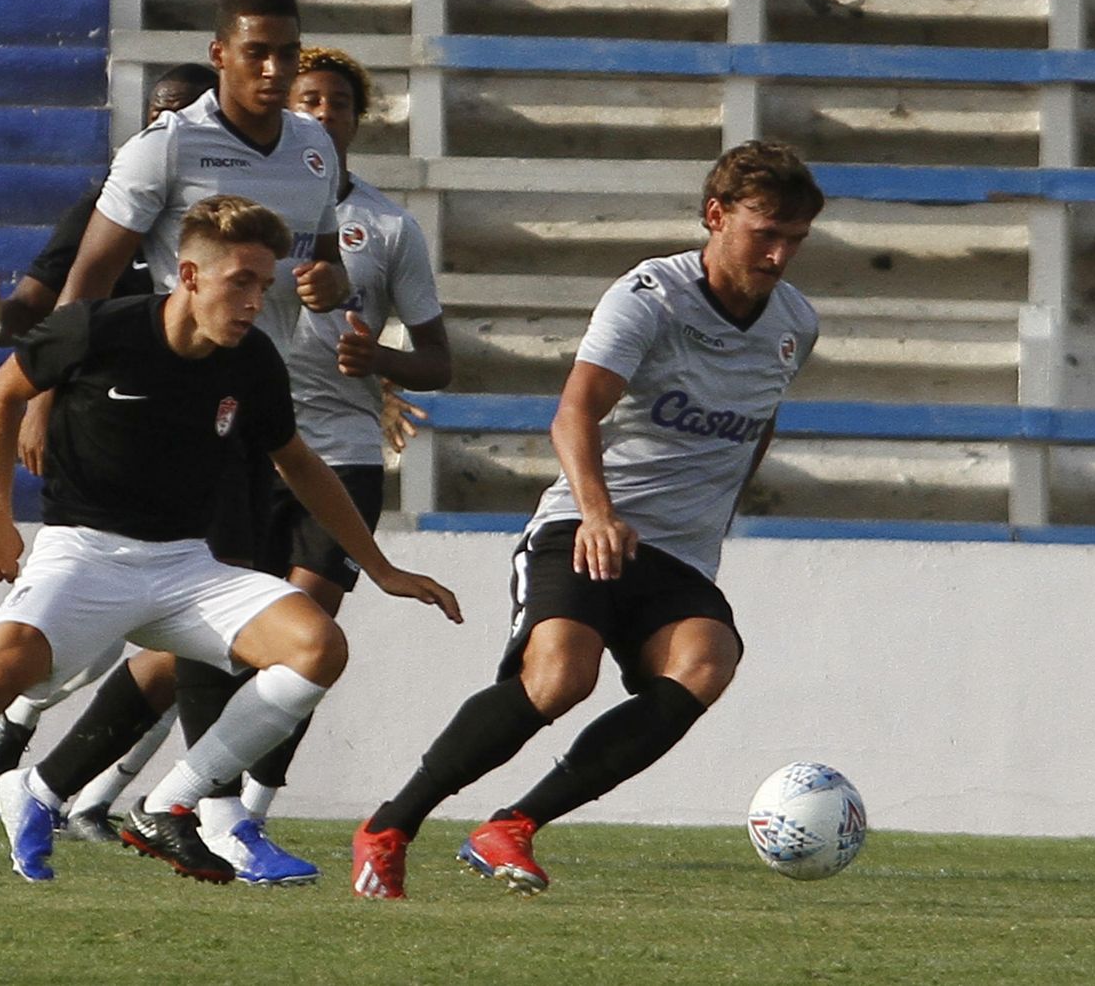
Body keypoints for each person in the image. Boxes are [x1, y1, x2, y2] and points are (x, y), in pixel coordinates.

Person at [0, 195, 460, 888]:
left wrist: (381, 568)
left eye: (265, 286)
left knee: (318, 647)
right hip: (84, 555)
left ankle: (170, 802)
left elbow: (297, 462)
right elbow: (1, 395)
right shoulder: (99, 328)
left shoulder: (254, 360)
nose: (256, 302)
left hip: (187, 565)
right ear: (190, 276)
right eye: (242, 282)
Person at [0, 45, 455, 884]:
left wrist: (374, 362)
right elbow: (73, 283)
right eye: (309, 98)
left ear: (354, 121)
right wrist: (43, 384)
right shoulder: (194, 201)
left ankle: (220, 810)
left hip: (334, 449)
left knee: (293, 636)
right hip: (225, 436)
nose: (321, 113)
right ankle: (90, 787)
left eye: (338, 102)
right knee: (195, 643)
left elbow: (428, 354)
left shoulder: (381, 224)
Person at [0, 0, 357, 883]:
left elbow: (318, 261)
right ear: (221, 54)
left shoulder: (313, 151)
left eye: (286, 52)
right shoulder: (164, 149)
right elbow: (81, 276)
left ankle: (47, 787)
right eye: (257, 51)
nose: (275, 68)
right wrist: (44, 396)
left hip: (253, 407)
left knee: (188, 640)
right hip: (162, 416)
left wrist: (332, 282)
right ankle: (208, 812)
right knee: (209, 617)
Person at [350, 140, 824, 899]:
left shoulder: (796, 323)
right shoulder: (650, 296)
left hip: (678, 554)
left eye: (794, 239)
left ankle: (513, 826)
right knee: (561, 678)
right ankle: (389, 826)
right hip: (584, 525)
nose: (779, 255)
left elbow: (760, 419)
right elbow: (574, 411)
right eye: (765, 234)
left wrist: (717, 513)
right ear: (715, 216)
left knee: (707, 663)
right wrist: (600, 515)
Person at [0, 64, 218, 827]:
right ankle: (21, 724)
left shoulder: (229, 217)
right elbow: (44, 310)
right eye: (158, 115)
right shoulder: (109, 203)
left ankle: (100, 794)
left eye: (183, 115)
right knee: (96, 617)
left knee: (191, 630)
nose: (167, 129)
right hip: (99, 432)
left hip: (196, 437)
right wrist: (20, 363)